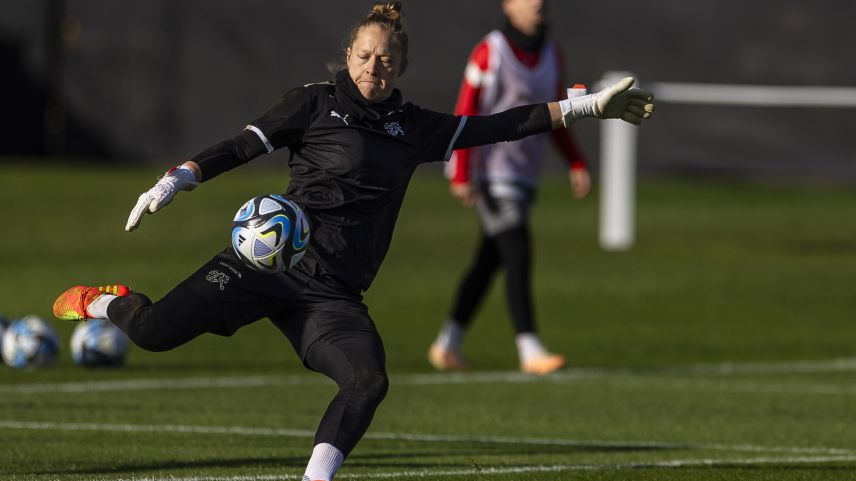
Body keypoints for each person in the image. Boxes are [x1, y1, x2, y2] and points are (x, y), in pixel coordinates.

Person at [52, 3, 654, 480]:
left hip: (332, 294)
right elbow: (241, 146)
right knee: (153, 333)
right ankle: (103, 301)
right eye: (364, 55)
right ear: (348, 55)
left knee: (368, 381)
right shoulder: (313, 103)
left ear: (400, 66)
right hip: (261, 264)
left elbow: (498, 126)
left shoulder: (414, 126)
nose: (373, 67)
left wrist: (583, 109)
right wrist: (179, 177)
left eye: (386, 59)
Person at [429, 0, 589, 375]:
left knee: (490, 260)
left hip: (524, 176)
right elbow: (466, 112)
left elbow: (557, 115)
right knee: (518, 251)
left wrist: (576, 161)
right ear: (508, 6)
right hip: (490, 175)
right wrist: (461, 173)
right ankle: (530, 348)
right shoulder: (491, 52)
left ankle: (447, 343)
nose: (538, 4)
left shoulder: (551, 54)